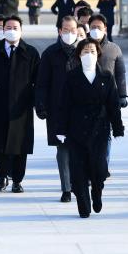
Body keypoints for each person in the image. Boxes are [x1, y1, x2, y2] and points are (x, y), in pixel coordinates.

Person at [57, 38, 123, 218]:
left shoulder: (106, 77)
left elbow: (113, 104)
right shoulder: (71, 77)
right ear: (79, 55)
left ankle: (97, 190)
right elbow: (64, 104)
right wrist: (61, 129)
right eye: (85, 51)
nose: (89, 55)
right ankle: (83, 203)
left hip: (100, 129)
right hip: (76, 129)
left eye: (92, 51)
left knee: (99, 167)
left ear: (98, 54)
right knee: (78, 169)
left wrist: (117, 127)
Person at [0, 15, 40, 193]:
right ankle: (1, 176)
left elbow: (37, 81)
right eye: (8, 27)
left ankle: (17, 180)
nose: (11, 30)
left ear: (21, 30)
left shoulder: (30, 52)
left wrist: (35, 103)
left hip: (21, 109)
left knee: (20, 146)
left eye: (15, 27)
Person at [35, 15, 81, 203]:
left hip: (81, 109)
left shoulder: (85, 51)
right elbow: (41, 83)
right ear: (59, 31)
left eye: (73, 30)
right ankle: (66, 188)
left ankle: (80, 182)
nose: (69, 34)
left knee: (80, 148)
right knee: (63, 149)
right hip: (58, 110)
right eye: (66, 30)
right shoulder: (50, 53)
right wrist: (41, 105)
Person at [88, 14, 128, 171]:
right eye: (93, 27)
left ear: (105, 29)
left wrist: (122, 95)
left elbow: (120, 73)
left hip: (108, 98)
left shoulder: (114, 49)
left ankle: (103, 165)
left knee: (107, 134)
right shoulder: (84, 47)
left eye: (99, 27)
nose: (96, 30)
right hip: (87, 98)